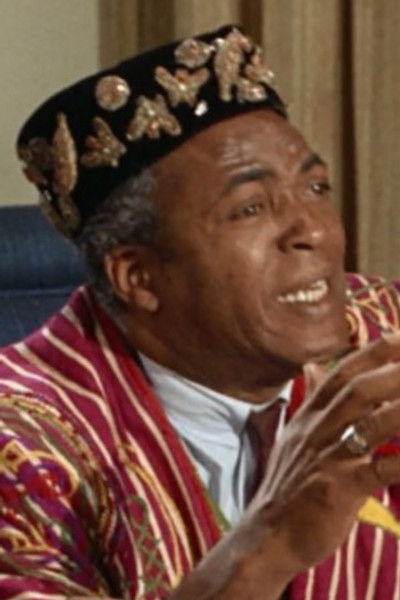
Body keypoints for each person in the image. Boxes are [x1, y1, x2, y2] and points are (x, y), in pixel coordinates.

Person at [1, 23, 400, 600]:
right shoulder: (22, 449)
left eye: (316, 188)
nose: (313, 231)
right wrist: (270, 543)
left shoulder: (382, 332)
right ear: (138, 277)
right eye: (251, 208)